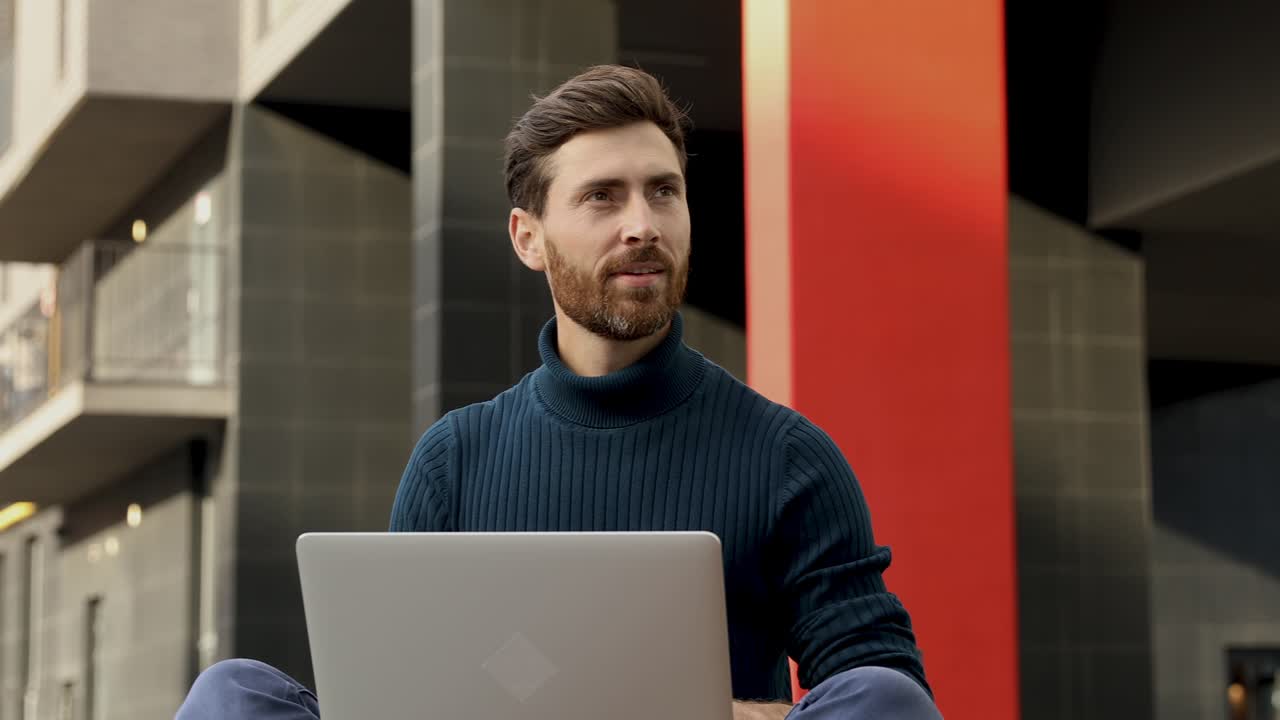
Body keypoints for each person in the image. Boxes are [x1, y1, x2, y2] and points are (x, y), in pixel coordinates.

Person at [177, 65, 941, 720]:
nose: (643, 225)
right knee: (232, 692)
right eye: (603, 197)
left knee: (880, 697)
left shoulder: (787, 457)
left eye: (663, 192)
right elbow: (397, 690)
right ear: (527, 238)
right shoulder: (457, 460)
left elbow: (886, 693)